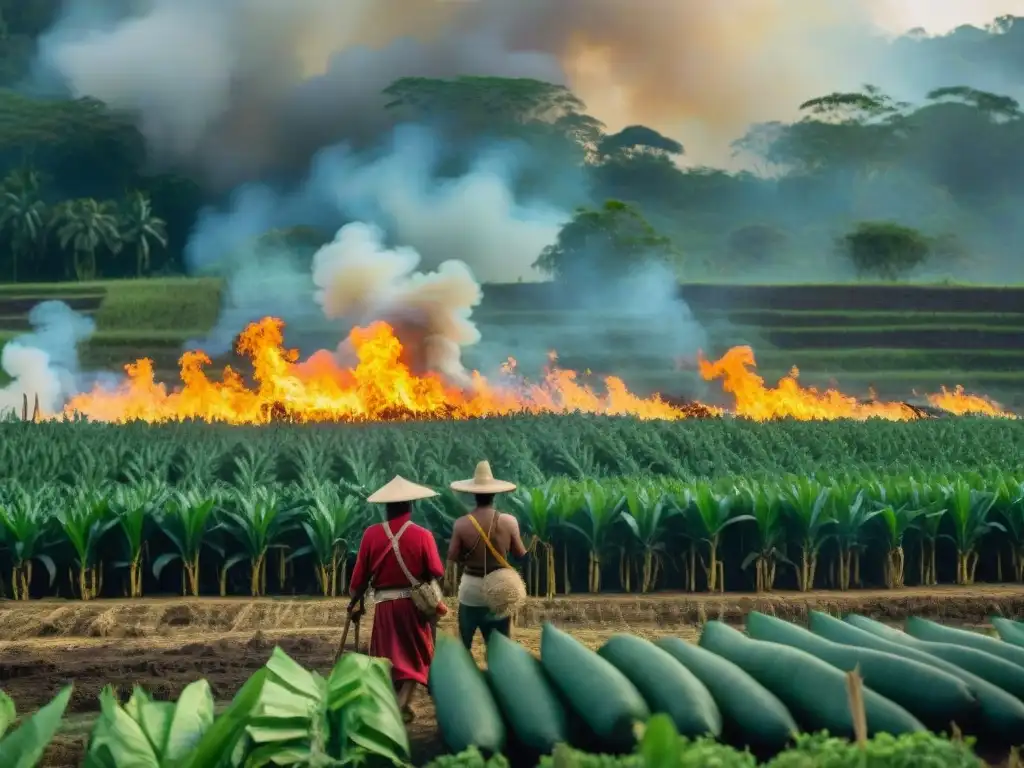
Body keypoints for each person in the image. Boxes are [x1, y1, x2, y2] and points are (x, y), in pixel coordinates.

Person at [348, 475, 446, 722]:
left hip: (384, 608)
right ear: (410, 506)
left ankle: (399, 705)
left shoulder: (371, 535)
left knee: (388, 659)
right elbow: (436, 571)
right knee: (416, 656)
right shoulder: (423, 535)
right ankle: (399, 707)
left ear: (386, 507)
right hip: (412, 607)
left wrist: (355, 602)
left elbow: (358, 580)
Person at [446, 461, 528, 650]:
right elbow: (520, 554)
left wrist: (470, 556)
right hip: (501, 590)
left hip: (471, 589)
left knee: (464, 643)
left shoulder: (461, 524)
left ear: (473, 494)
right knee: (500, 646)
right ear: (495, 494)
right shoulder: (509, 521)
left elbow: (452, 556)